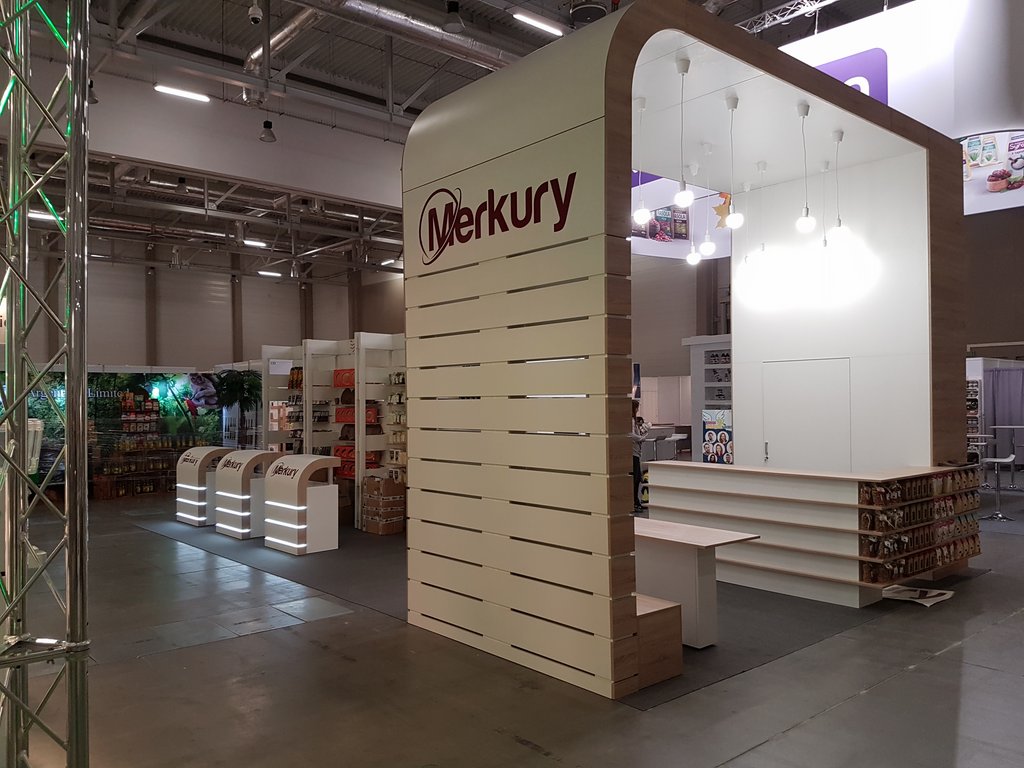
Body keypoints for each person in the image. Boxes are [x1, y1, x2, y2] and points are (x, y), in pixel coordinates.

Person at [631, 399, 649, 514]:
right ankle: (634, 503)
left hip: (636, 451)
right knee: (636, 478)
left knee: (637, 478)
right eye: (637, 407)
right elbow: (630, 434)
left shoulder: (633, 420)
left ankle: (636, 502)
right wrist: (641, 438)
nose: (638, 410)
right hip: (633, 452)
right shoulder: (631, 420)